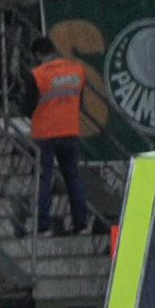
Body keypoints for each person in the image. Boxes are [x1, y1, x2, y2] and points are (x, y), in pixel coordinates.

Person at [26, 38, 92, 234]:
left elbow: (27, 106)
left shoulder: (37, 75)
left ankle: (43, 227)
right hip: (69, 130)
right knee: (73, 178)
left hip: (44, 134)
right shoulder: (76, 70)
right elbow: (79, 102)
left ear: (38, 54)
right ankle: (81, 223)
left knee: (44, 179)